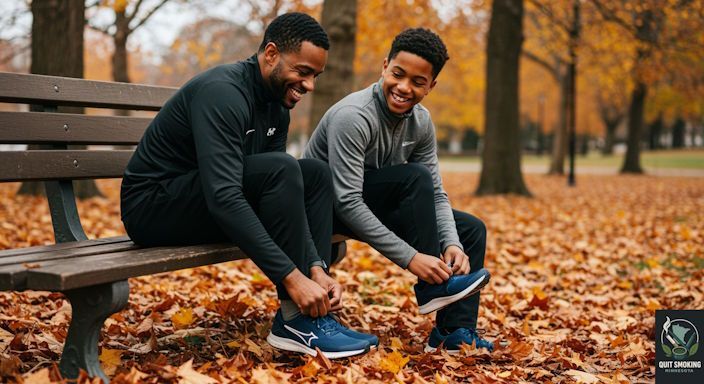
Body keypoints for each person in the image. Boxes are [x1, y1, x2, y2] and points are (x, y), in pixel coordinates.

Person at [120, 12, 374, 359]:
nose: (309, 85)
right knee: (285, 168)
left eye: (315, 75)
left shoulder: (277, 106)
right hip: (154, 206)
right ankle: (296, 318)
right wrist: (292, 277)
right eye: (302, 72)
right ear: (271, 54)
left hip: (201, 200)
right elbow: (225, 196)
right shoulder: (223, 93)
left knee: (313, 172)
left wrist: (315, 267)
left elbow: (282, 186)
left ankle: (309, 316)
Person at [303, 28, 494, 353]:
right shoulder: (354, 116)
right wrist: (412, 259)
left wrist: (451, 242)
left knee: (470, 230)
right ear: (384, 66)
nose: (404, 87)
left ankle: (453, 332)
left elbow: (435, 192)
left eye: (418, 82)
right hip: (326, 209)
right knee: (413, 177)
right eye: (398, 74)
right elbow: (347, 201)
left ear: (431, 86)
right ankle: (434, 286)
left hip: (371, 203)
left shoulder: (421, 122)